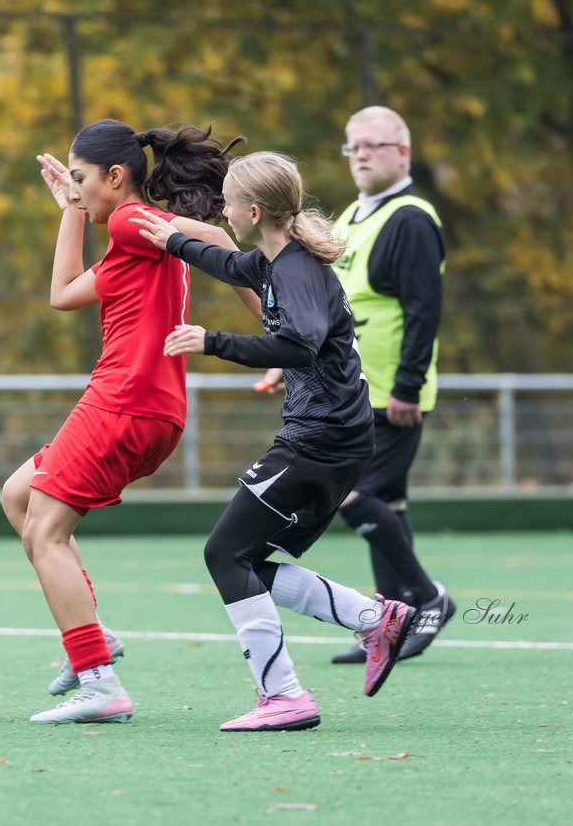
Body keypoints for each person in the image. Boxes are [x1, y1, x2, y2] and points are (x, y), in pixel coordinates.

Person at [131, 151, 417, 732]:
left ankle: (283, 695)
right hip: (335, 440)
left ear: (254, 210)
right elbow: (230, 264)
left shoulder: (293, 271)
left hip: (320, 442)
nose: (222, 211)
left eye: (229, 203)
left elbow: (301, 345)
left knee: (223, 554)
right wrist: (172, 241)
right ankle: (373, 617)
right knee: (247, 562)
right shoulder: (276, 259)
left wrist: (212, 341)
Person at [0, 118, 248, 726]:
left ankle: (99, 682)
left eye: (81, 178)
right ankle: (95, 635)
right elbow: (61, 293)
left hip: (123, 403)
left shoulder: (132, 221)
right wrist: (69, 208)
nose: (77, 188)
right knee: (17, 496)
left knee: (44, 533)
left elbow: (219, 239)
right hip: (151, 413)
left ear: (117, 177)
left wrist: (273, 308)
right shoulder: (127, 243)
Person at [256, 105, 455, 664]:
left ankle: (426, 597)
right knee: (385, 500)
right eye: (353, 146)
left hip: (390, 394)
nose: (362, 154)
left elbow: (423, 311)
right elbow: (320, 308)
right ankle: (389, 623)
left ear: (403, 153)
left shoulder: (411, 218)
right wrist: (288, 361)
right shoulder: (350, 217)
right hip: (348, 391)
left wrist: (409, 388)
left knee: (353, 495)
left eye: (374, 145)